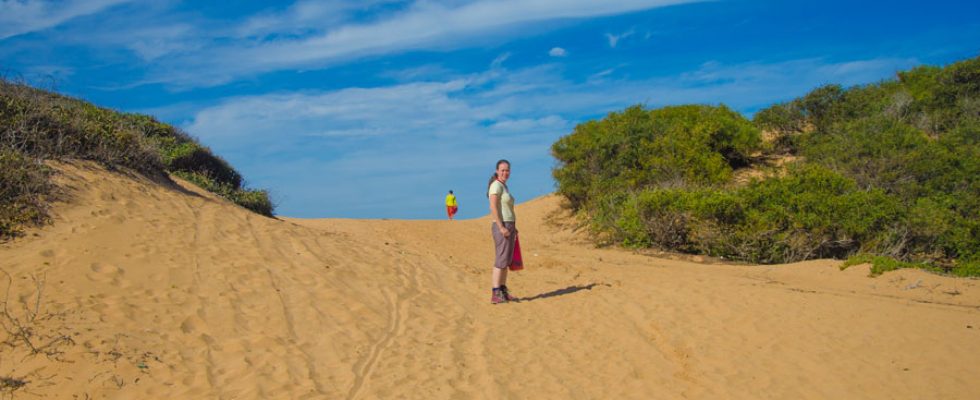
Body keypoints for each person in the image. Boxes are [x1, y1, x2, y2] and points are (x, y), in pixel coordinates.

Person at [487, 159, 517, 304]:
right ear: (497, 171)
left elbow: (508, 209)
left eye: (507, 170)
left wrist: (513, 228)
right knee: (500, 259)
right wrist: (501, 227)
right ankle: (495, 292)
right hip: (502, 225)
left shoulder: (505, 187)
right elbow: (493, 207)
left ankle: (503, 291)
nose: (505, 172)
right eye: (502, 170)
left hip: (510, 225)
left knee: (506, 260)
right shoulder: (496, 186)